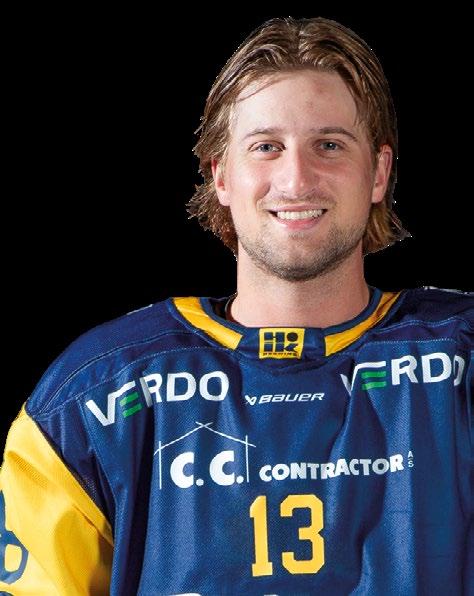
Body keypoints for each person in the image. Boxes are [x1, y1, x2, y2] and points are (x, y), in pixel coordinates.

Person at [1, 15, 472, 595]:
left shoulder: (462, 361)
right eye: (266, 147)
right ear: (220, 175)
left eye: (329, 145)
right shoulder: (92, 397)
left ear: (378, 173)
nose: (296, 180)